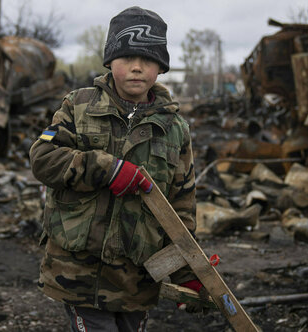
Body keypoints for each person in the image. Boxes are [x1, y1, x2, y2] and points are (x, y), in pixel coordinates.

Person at [29, 6, 201, 332]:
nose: (137, 67)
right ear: (110, 61)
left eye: (148, 59)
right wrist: (105, 168)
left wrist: (188, 274)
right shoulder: (76, 106)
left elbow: (181, 207)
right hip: (79, 273)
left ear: (161, 67)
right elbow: (42, 157)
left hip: (136, 280)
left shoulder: (175, 128)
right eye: (127, 57)